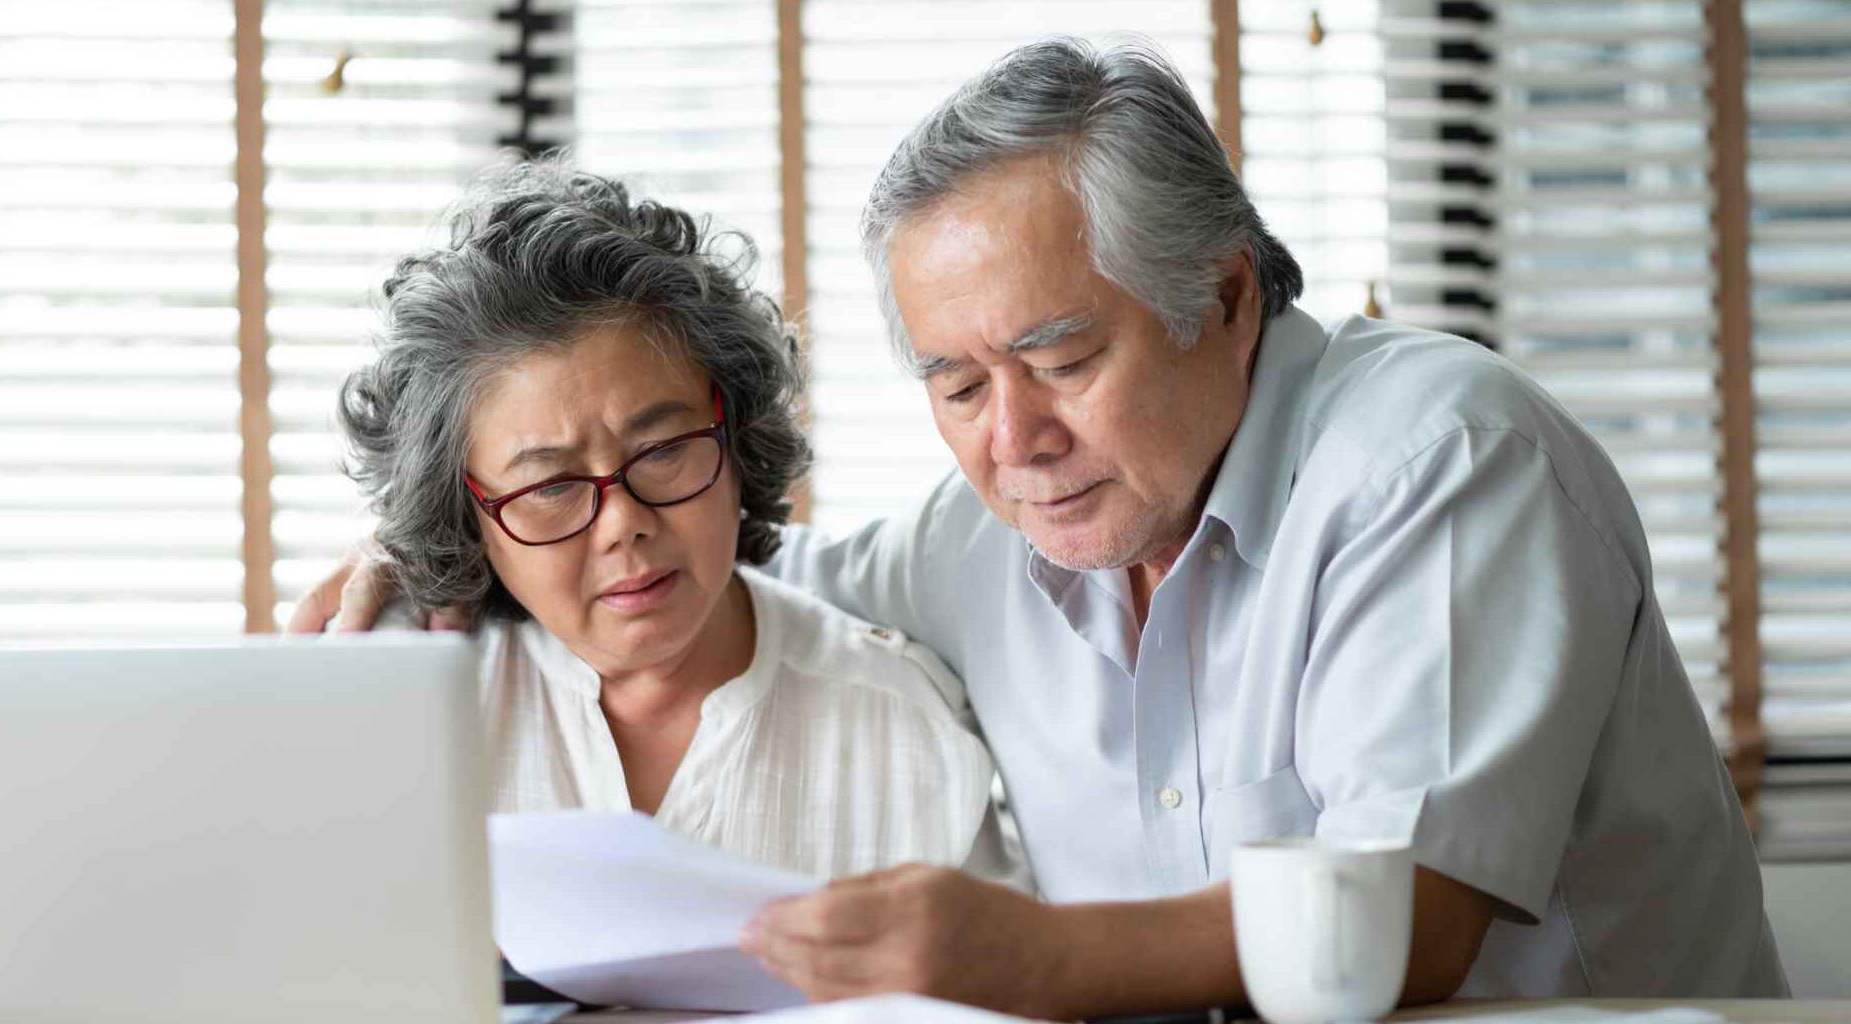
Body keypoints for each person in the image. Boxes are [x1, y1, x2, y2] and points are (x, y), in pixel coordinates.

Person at [298, 39, 1786, 1018]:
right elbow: (709, 567)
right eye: (954, 383)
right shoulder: (992, 532)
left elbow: (1407, 927)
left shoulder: (1441, 459)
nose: (1012, 442)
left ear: (1224, 296)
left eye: (1063, 359)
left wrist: (1021, 962)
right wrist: (439, 556)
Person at [333, 159, 1022, 883]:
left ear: (735, 436)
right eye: (551, 485)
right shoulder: (408, 708)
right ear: (468, 511)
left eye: (662, 451)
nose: (621, 524)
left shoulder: (899, 727)